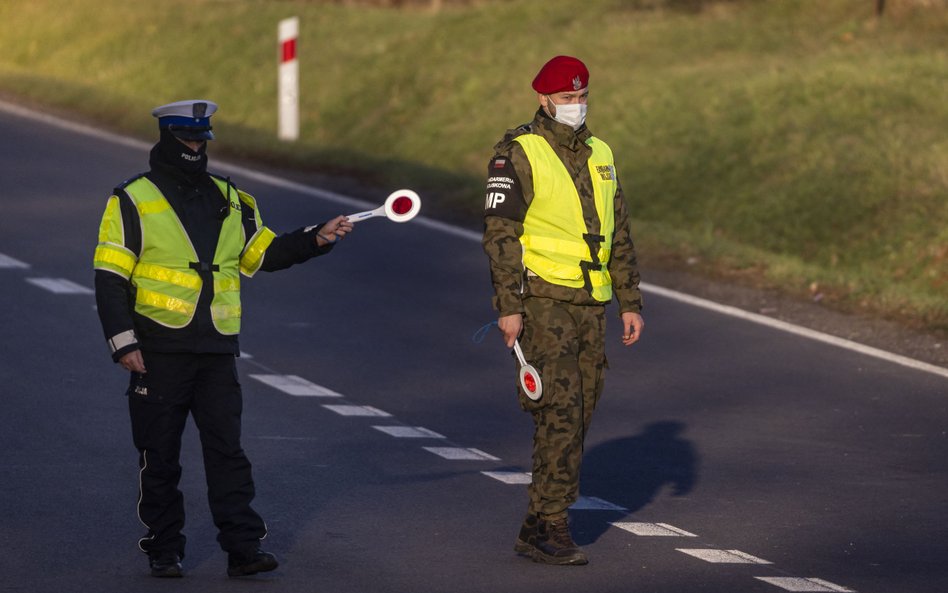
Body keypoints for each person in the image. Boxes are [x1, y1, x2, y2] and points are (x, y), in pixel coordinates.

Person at [92, 99, 354, 578]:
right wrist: (124, 343)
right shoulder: (131, 199)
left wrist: (316, 237)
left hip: (216, 349)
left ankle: (243, 548)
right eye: (186, 139)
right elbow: (109, 276)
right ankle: (164, 548)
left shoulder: (232, 198)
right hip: (157, 349)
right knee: (160, 456)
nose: (194, 147)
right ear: (168, 138)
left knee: (227, 453)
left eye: (200, 140)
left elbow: (264, 255)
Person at [481, 56, 645, 565]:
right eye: (568, 97)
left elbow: (617, 231)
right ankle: (553, 525)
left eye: (582, 95)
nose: (577, 105)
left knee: (582, 413)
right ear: (544, 99)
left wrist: (629, 301)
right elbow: (500, 235)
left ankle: (535, 524)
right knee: (559, 412)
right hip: (543, 300)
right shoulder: (518, 154)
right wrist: (509, 306)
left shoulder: (602, 152)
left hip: (590, 303)